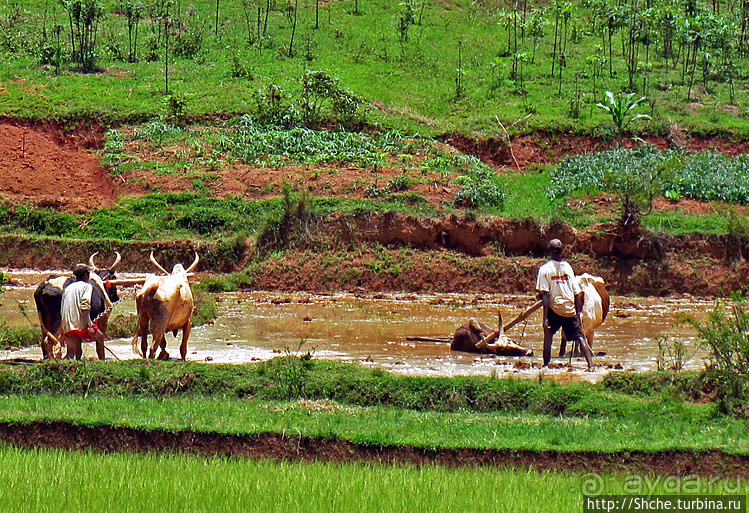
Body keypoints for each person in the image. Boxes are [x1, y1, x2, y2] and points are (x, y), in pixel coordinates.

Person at [535, 239, 594, 371]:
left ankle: (545, 366)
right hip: (570, 309)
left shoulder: (544, 269)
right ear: (562, 251)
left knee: (548, 336)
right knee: (580, 337)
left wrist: (545, 319)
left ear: (549, 251)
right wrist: (578, 314)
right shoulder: (568, 267)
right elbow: (576, 293)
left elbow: (545, 296)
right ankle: (591, 366)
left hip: (555, 309)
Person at [61, 263, 104, 360]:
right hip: (80, 325)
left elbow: (62, 308)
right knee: (100, 337)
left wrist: (64, 330)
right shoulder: (87, 286)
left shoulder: (67, 288)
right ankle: (103, 363)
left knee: (70, 354)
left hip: (68, 326)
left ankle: (69, 370)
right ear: (86, 276)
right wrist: (89, 325)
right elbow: (85, 306)